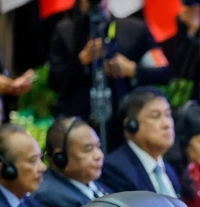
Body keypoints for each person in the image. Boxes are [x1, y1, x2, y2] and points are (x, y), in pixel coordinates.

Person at [49, 0, 171, 150]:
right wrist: (81, 61)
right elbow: (54, 80)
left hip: (124, 126)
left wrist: (132, 69)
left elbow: (163, 73)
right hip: (80, 126)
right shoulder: (66, 31)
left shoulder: (133, 29)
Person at [100, 87, 180, 195]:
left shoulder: (169, 170)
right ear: (131, 125)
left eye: (168, 114)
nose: (167, 124)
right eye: (156, 116)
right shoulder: (116, 169)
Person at [36, 117, 110, 207]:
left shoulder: (96, 185)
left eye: (98, 146)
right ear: (60, 158)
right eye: (88, 149)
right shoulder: (52, 197)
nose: (99, 155)